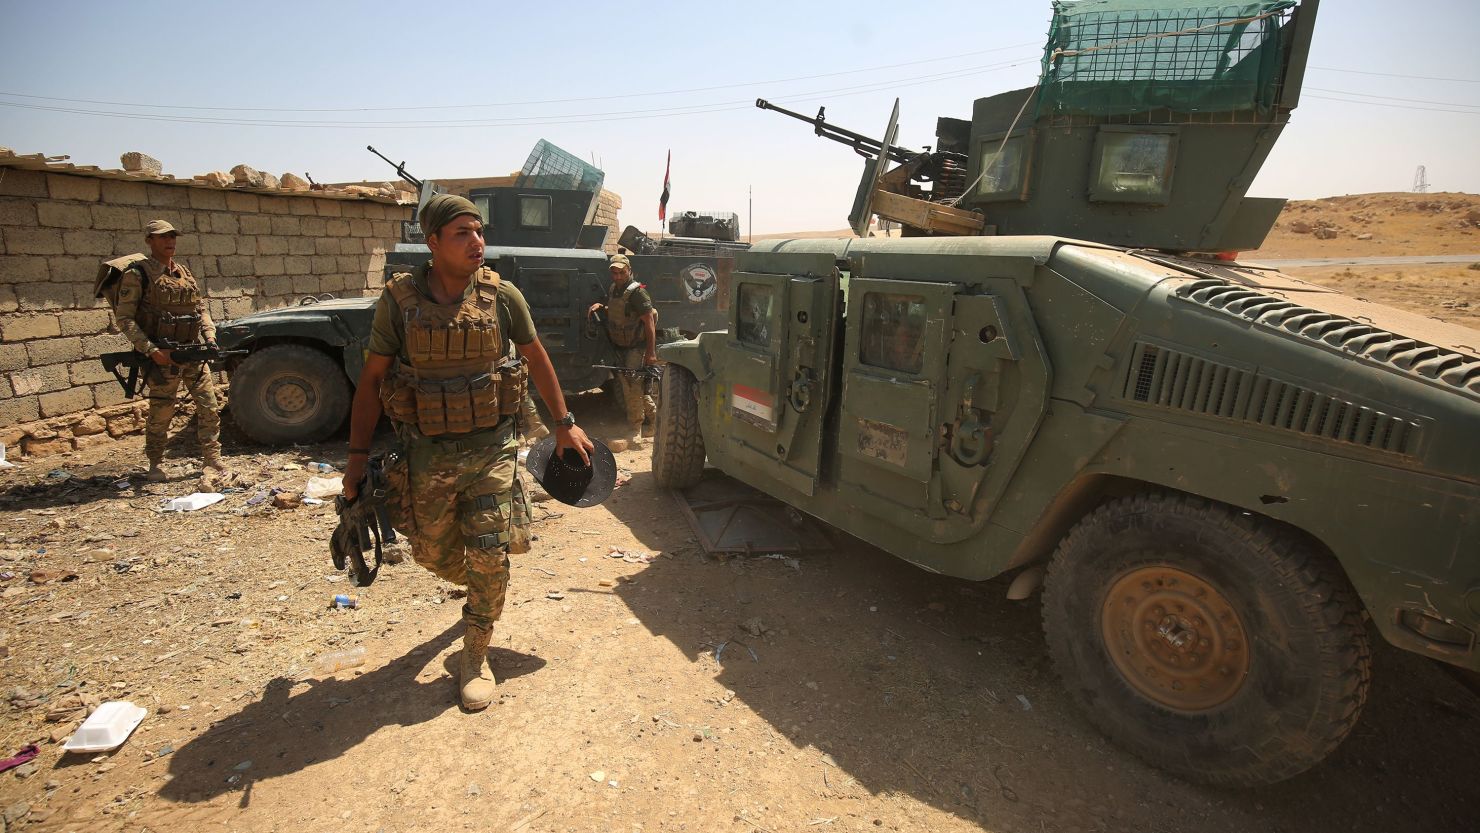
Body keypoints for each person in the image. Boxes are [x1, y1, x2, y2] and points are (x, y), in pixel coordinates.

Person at [341, 194, 593, 712]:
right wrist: (355, 459)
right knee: (432, 552)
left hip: (493, 449)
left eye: (478, 231)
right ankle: (482, 580)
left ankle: (475, 650)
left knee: (488, 553)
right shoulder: (399, 302)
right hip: (427, 454)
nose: (477, 242)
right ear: (432, 242)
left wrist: (564, 425)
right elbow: (371, 381)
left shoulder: (502, 297)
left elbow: (536, 356)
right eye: (462, 233)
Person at [111, 219, 224, 481]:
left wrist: (210, 338)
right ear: (150, 241)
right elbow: (124, 319)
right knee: (161, 411)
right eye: (162, 237)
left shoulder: (184, 273)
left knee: (209, 406)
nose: (169, 241)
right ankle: (155, 463)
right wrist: (151, 350)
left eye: (172, 236)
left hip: (193, 351)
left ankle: (213, 460)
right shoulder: (137, 274)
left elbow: (200, 310)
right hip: (163, 356)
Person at [587, 253, 657, 447]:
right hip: (621, 346)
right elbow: (620, 311)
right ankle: (658, 420)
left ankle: (635, 428)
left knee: (632, 387)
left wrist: (651, 353)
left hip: (636, 347)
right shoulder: (614, 289)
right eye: (615, 273)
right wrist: (601, 306)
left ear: (629, 271)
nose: (618, 276)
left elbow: (649, 321)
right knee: (634, 388)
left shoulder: (638, 292)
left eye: (622, 272)